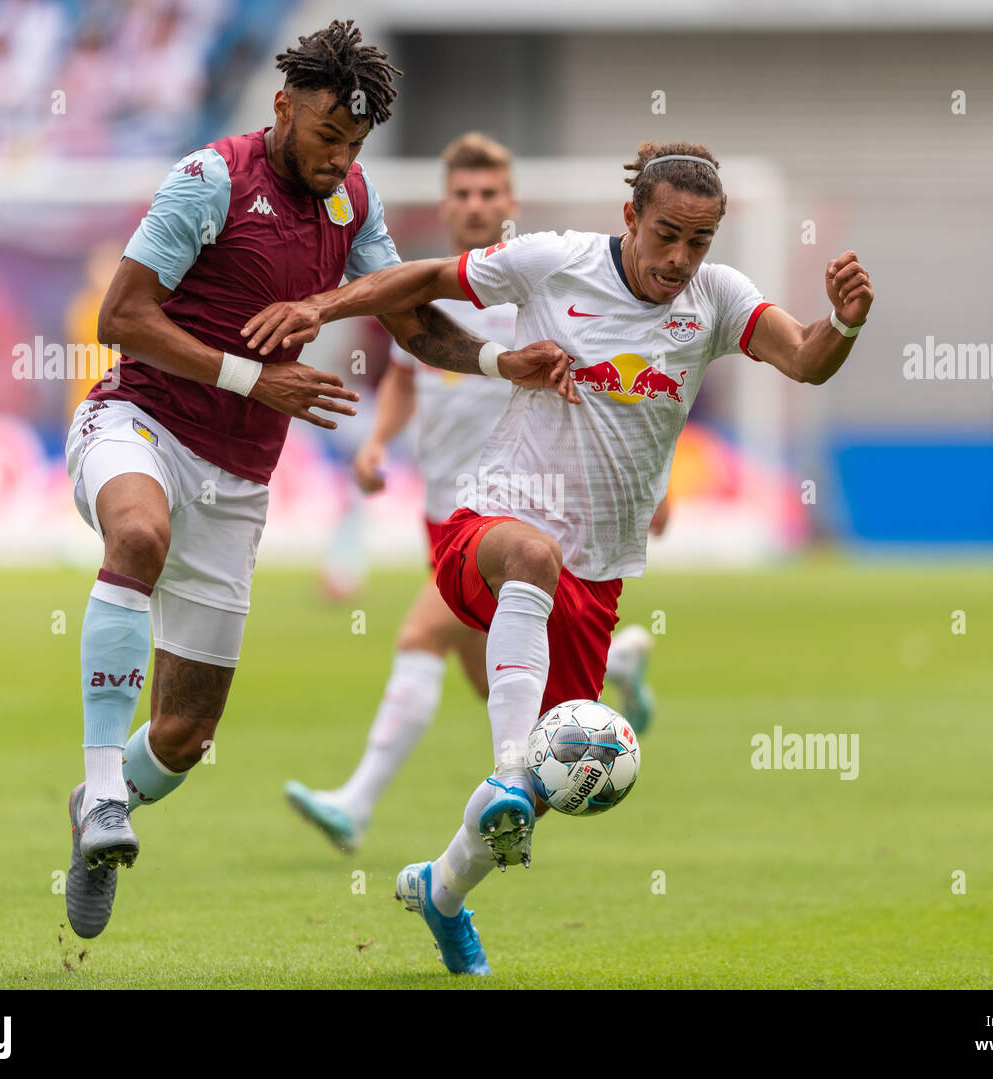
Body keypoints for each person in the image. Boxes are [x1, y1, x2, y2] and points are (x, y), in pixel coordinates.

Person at [243, 139, 873, 975]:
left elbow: (804, 359)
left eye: (698, 243)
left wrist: (849, 321)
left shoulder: (718, 299)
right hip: (495, 520)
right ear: (630, 219)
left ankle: (441, 889)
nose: (679, 260)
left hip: (599, 572)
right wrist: (321, 307)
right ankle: (491, 773)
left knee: (553, 783)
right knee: (527, 574)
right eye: (665, 237)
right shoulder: (553, 263)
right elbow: (427, 281)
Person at [62, 20, 570, 941]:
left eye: (357, 144)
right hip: (137, 421)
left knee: (182, 741)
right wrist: (260, 380)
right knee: (137, 536)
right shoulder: (209, 180)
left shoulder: (353, 204)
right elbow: (124, 316)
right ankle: (102, 790)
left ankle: (100, 809)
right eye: (328, 136)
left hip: (238, 476)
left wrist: (502, 362)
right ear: (282, 106)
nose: (342, 158)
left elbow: (410, 325)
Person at [284, 132, 660, 854]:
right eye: (463, 193)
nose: (476, 204)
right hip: (442, 512)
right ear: (446, 200)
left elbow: (623, 393)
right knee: (496, 681)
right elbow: (404, 374)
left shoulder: (535, 286)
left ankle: (358, 802)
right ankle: (613, 671)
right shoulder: (426, 289)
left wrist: (651, 481)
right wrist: (375, 441)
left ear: (510, 203)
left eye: (490, 193)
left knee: (423, 634)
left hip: (514, 516)